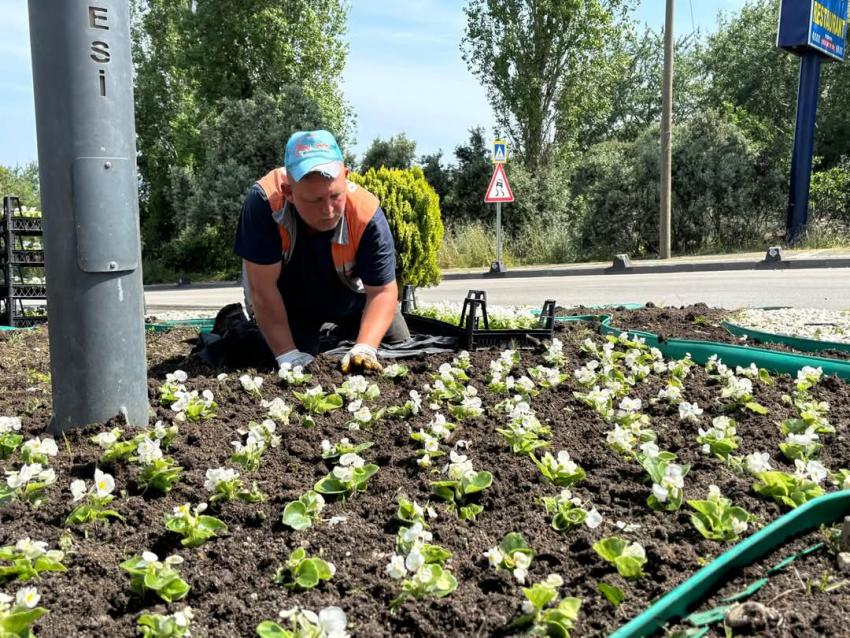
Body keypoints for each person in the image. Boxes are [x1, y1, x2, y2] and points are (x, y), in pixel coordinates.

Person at [234, 130, 410, 374]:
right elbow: (262, 289)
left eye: (335, 196)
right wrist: (288, 354)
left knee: (397, 345)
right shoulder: (264, 203)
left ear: (346, 177)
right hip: (285, 299)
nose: (328, 210)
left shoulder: (366, 213)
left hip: (345, 295)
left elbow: (381, 291)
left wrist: (365, 347)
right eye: (314, 200)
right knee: (272, 357)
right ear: (288, 192)